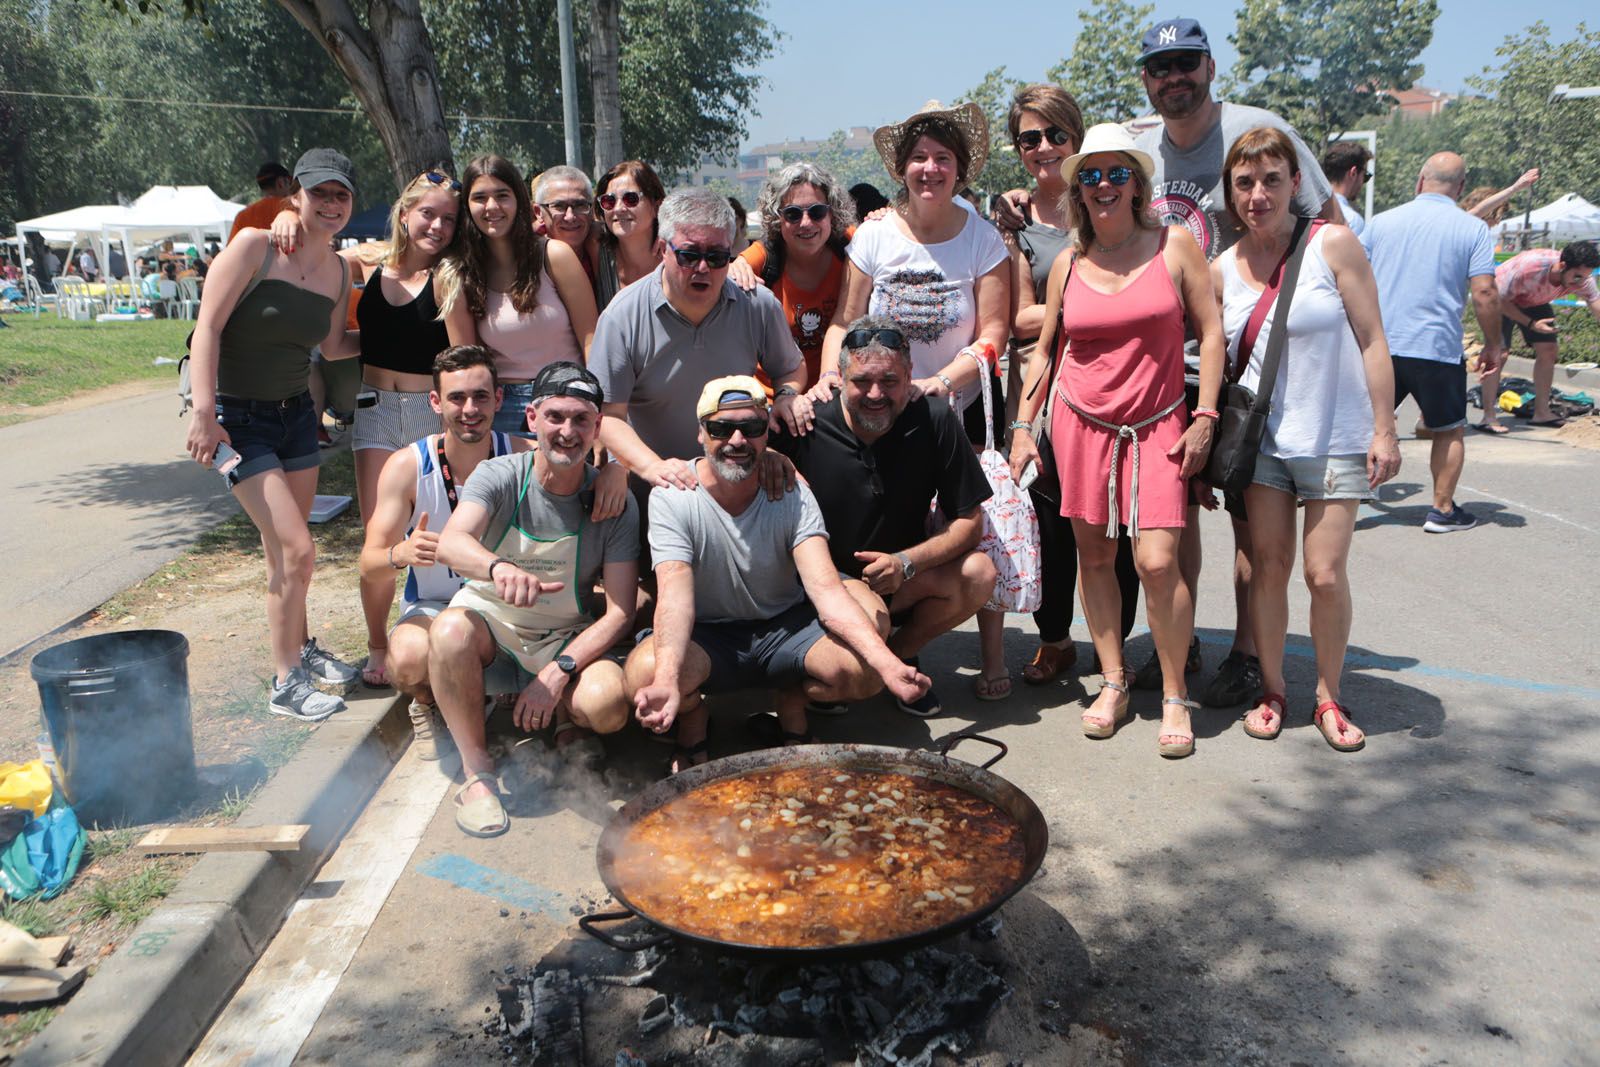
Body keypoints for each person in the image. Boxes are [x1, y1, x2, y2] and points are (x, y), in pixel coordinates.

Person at [1132, 16, 1342, 708]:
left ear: (1210, 67)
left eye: (1187, 62)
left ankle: (1250, 652)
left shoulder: (1257, 131)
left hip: (1253, 364)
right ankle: (1182, 636)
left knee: (1253, 523)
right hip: (1172, 368)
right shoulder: (1143, 152)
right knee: (1175, 514)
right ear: (1146, 79)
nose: (1175, 78)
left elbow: (1327, 223)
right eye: (1161, 67)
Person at [1009, 123, 1223, 759]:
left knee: (1157, 562)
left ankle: (1176, 692)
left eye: (1116, 174)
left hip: (1159, 423)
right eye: (1092, 176)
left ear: (1137, 183)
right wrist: (1024, 427)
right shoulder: (1070, 263)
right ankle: (1113, 681)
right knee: (1094, 558)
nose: (1104, 186)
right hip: (1080, 424)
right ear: (1079, 190)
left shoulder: (1174, 244)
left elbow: (1210, 335)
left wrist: (1205, 415)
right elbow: (1046, 351)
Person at [625, 376, 930, 770]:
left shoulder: (791, 489)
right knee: (644, 675)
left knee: (867, 671)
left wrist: (889, 665)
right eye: (721, 428)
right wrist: (668, 679)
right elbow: (675, 596)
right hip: (710, 635)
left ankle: (793, 700)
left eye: (751, 428)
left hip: (786, 628)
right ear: (701, 432)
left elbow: (827, 590)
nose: (737, 440)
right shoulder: (673, 496)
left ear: (766, 431)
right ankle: (692, 715)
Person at [1214, 127, 1401, 753]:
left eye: (1272, 180)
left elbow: (1374, 339)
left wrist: (1384, 428)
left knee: (1324, 574)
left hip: (1333, 435)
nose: (1258, 194)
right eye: (1245, 182)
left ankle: (1328, 694)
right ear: (1231, 192)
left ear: (1297, 184)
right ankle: (1273, 690)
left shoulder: (1334, 245)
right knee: (1269, 569)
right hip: (1262, 442)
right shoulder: (1223, 269)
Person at [820, 99, 1012, 700]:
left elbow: (994, 335)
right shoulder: (874, 234)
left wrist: (942, 384)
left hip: (952, 406)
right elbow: (843, 322)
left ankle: (987, 658)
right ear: (902, 168)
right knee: (884, 526)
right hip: (875, 409)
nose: (931, 169)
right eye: (920, 159)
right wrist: (831, 379)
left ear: (961, 170)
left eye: (943, 159)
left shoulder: (983, 239)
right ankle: (876, 661)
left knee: (973, 535)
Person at [183, 148, 363, 720]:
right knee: (297, 549)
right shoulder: (255, 246)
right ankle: (285, 682)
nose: (331, 204)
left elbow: (334, 348)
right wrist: (203, 412)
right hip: (239, 420)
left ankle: (301, 651)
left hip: (294, 419)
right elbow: (207, 327)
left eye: (341, 195)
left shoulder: (339, 270)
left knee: (284, 554)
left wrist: (403, 341)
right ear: (297, 196)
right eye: (319, 193)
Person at [431, 362, 639, 836]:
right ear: (532, 418)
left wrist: (556, 673)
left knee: (606, 704)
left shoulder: (614, 500)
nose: (567, 432)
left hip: (564, 636)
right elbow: (451, 542)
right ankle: (477, 774)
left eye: (580, 420)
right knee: (447, 630)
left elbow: (621, 611)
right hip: (494, 633)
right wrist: (497, 567)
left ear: (597, 428)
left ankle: (567, 723)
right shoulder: (499, 475)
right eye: (555, 417)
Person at [771, 318, 996, 717]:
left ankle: (900, 659)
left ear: (911, 375)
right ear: (840, 377)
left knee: (979, 573)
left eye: (890, 381)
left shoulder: (934, 418)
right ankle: (831, 674)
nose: (876, 394)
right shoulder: (806, 422)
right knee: (869, 618)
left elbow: (969, 521)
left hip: (899, 577)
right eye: (861, 381)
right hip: (822, 587)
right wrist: (769, 451)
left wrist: (908, 563)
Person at [1000, 83, 1140, 686]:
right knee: (1050, 524)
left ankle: (1119, 647)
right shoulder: (1010, 219)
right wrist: (1084, 302)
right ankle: (1055, 640)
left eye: (1057, 135)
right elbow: (1014, 317)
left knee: (1121, 525)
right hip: (1040, 389)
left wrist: (1065, 308)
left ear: (1078, 141)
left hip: (1118, 387)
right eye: (1030, 138)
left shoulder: (1106, 202)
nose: (1044, 148)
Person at [588, 187, 810, 525]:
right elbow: (609, 415)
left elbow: (791, 368)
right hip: (657, 487)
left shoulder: (758, 304)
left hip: (735, 480)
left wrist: (786, 395)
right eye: (689, 256)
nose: (703, 268)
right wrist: (653, 468)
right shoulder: (622, 316)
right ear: (662, 250)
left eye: (718, 257)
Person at [358, 345, 519, 758]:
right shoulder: (408, 466)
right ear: (434, 402)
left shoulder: (522, 456)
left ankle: (494, 692)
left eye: (481, 396)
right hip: (435, 605)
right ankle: (428, 703)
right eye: (456, 397)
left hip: (504, 608)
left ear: (499, 399)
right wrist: (401, 553)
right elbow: (369, 565)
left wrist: (612, 471)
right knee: (408, 659)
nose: (470, 408)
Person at [336, 170, 464, 684]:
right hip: (373, 407)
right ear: (404, 213)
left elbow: (458, 354)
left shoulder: (448, 276)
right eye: (428, 213)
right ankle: (378, 644)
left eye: (449, 219)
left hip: (427, 410)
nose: (437, 225)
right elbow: (336, 346)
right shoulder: (367, 270)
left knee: (437, 532)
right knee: (380, 539)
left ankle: (447, 627)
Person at [1362, 152, 1506, 533]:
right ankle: (1441, 510)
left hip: (1379, 344)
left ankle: (1342, 500)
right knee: (1448, 430)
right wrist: (1494, 343)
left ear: (1419, 180)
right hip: (1436, 347)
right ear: (1460, 188)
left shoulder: (1381, 222)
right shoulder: (1471, 228)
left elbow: (1350, 278)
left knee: (1363, 424)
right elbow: (1485, 292)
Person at [441, 155, 599, 440]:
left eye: (502, 195)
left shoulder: (553, 255)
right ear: (467, 206)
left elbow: (592, 338)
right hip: (502, 408)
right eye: (479, 198)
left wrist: (597, 409)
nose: (492, 207)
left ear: (520, 202)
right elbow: (467, 361)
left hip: (567, 398)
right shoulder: (460, 274)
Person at [729, 162, 858, 393]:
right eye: (793, 214)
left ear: (832, 213)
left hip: (834, 393)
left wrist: (884, 213)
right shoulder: (764, 256)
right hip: (774, 398)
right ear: (777, 219)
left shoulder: (850, 244)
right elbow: (730, 271)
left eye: (817, 212)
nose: (806, 223)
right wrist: (736, 268)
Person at [1478, 240, 1600, 430]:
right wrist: (1531, 324)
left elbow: (1595, 303)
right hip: (1499, 299)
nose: (1580, 283)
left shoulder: (1583, 279)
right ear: (1562, 266)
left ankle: (1541, 413)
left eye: (1584, 278)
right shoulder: (1530, 267)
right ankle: (1488, 417)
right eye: (1576, 277)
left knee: (1549, 350)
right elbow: (1497, 299)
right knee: (1499, 354)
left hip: (1533, 300)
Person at [593, 160, 667, 310]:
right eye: (609, 201)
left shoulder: (678, 257)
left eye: (630, 199)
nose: (619, 208)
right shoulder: (595, 244)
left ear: (657, 206)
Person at [532, 165, 600, 284]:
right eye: (559, 206)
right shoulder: (526, 259)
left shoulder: (606, 250)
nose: (570, 217)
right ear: (538, 212)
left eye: (580, 205)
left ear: (592, 208)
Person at [229, 162, 295, 241]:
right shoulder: (295, 209)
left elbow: (231, 249)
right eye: (290, 182)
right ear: (280, 183)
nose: (292, 188)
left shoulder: (242, 216)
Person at [1321, 141, 1371, 236]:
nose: (1363, 182)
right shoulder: (1352, 221)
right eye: (1365, 176)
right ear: (1353, 173)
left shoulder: (1308, 210)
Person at [1460, 168, 1540, 225]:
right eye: (1497, 216)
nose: (1497, 223)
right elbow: (1477, 211)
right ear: (1488, 212)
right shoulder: (1460, 224)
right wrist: (1514, 188)